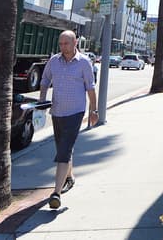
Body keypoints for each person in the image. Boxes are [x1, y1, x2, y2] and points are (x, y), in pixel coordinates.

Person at [38, 30, 98, 209]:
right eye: (61, 44)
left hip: (75, 112)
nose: (63, 47)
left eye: (66, 43)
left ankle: (56, 193)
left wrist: (93, 110)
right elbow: (45, 79)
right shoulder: (54, 61)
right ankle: (70, 177)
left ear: (75, 43)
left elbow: (91, 88)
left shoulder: (84, 63)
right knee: (63, 148)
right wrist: (42, 100)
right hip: (57, 112)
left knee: (63, 151)